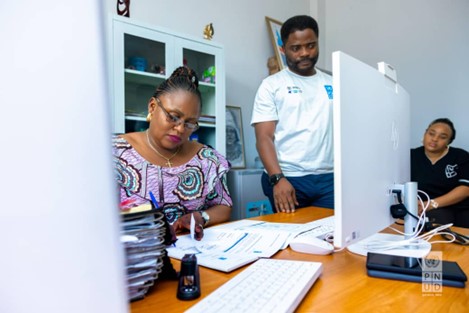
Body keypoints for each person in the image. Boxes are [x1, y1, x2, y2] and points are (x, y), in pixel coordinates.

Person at [112, 66, 233, 239]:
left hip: (192, 255)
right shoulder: (116, 153)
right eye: (173, 117)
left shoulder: (206, 159)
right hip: (138, 258)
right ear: (153, 107)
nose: (180, 128)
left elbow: (224, 206)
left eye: (190, 123)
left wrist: (201, 217)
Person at [251, 15, 334, 213]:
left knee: (332, 238)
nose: (305, 53)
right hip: (287, 178)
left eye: (311, 46)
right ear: (283, 49)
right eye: (296, 48)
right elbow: (264, 138)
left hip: (329, 179)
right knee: (293, 239)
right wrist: (278, 179)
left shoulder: (333, 83)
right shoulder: (271, 85)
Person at [411, 118, 469, 228]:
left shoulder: (461, 156)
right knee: (436, 225)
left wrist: (431, 204)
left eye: (442, 137)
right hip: (426, 209)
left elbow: (466, 189)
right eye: (431, 133)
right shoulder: (411, 156)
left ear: (449, 142)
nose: (435, 139)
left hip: (460, 208)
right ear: (425, 133)